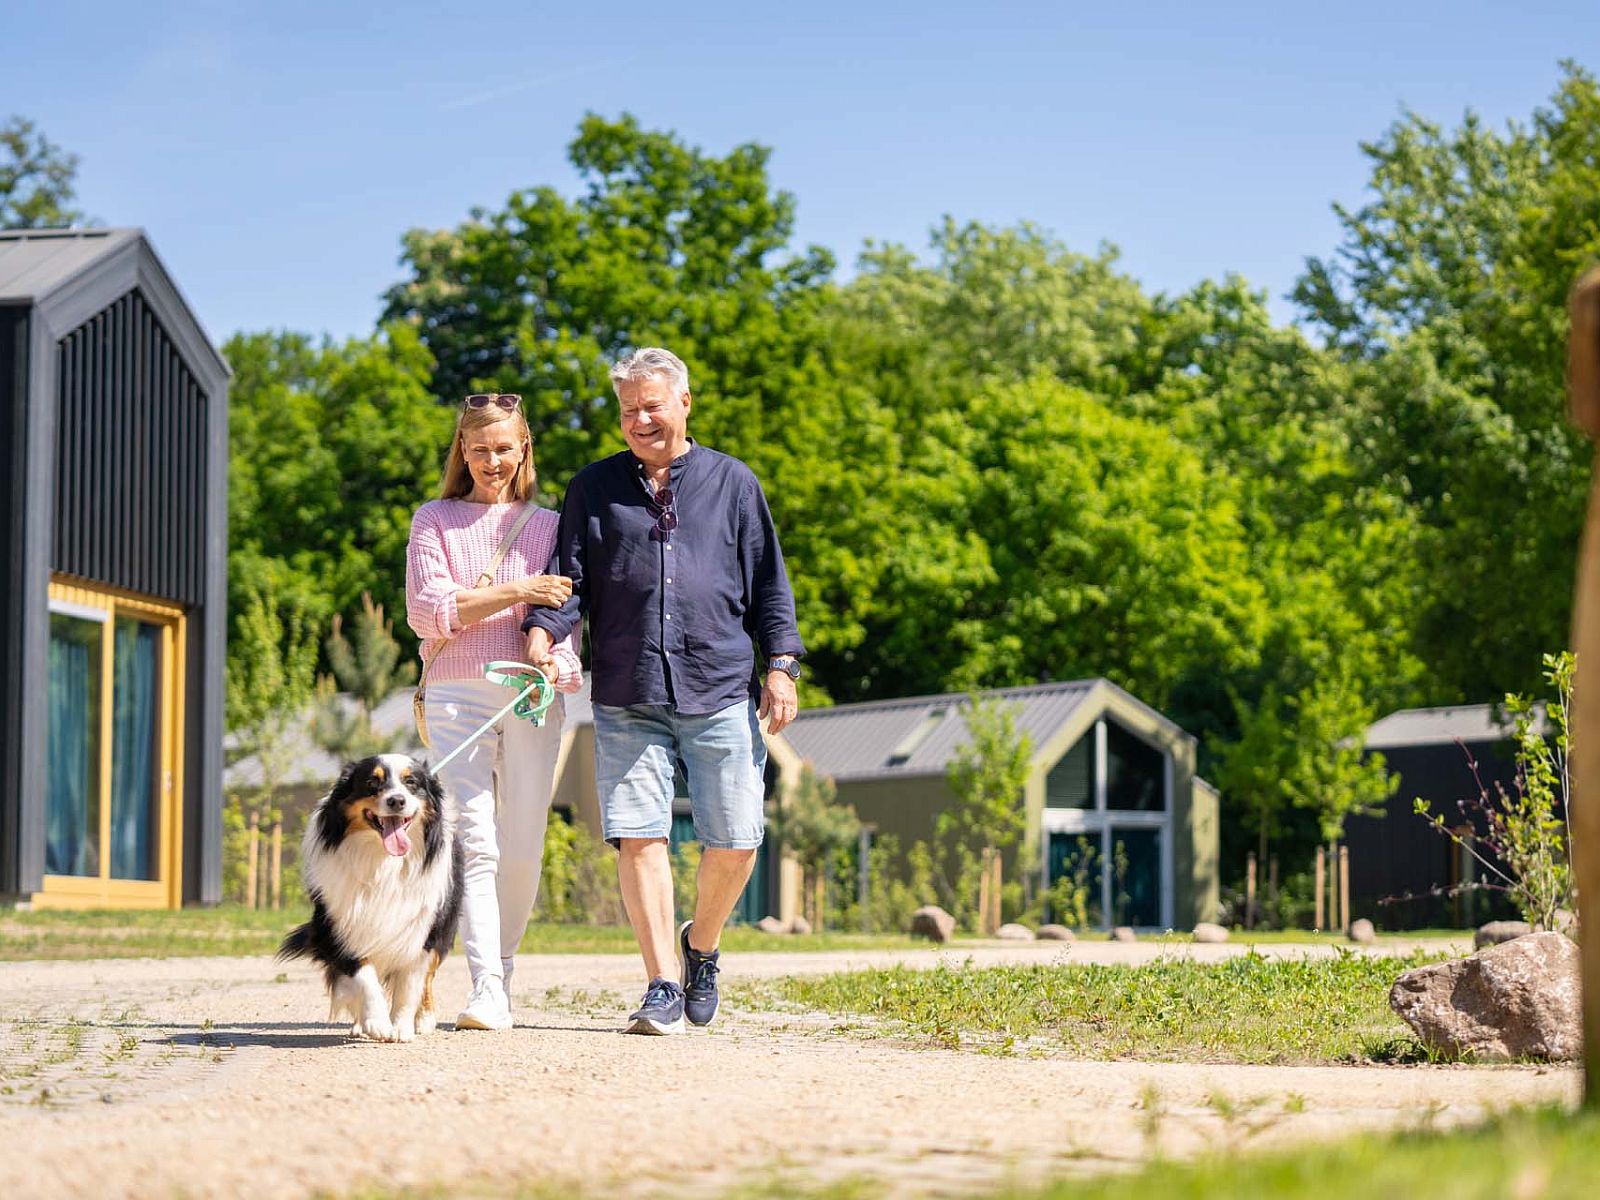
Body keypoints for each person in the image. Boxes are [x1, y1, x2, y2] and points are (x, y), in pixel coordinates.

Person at [523, 347, 804, 1035]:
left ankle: (700, 947)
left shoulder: (735, 484)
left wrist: (783, 665)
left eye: (652, 405)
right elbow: (570, 581)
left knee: (737, 839)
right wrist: (544, 630)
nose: (640, 419)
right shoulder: (592, 488)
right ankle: (660, 985)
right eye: (627, 410)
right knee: (639, 836)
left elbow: (770, 584)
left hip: (720, 684)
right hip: (628, 687)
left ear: (684, 403)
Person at [406, 394, 583, 1032]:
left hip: (531, 693)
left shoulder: (552, 524)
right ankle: (485, 988)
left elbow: (562, 619)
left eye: (504, 448)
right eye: (479, 449)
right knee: (471, 838)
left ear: (523, 449)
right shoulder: (434, 519)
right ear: (462, 451)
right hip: (457, 689)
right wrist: (519, 591)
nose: (492, 461)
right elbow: (428, 613)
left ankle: (503, 969)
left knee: (523, 840)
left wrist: (558, 663)